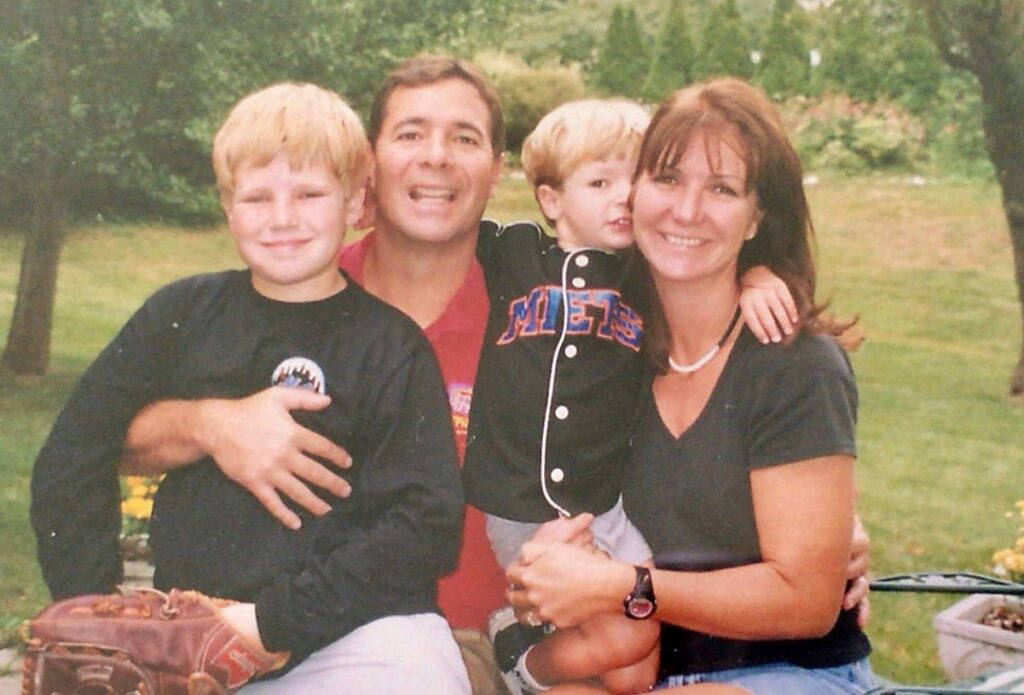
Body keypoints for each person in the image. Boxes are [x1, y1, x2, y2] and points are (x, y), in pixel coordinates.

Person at [120, 58, 871, 695]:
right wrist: (211, 422)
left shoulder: (553, 311)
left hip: (505, 653)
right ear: (368, 163)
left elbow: (739, 427)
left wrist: (820, 534)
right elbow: (111, 436)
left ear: (498, 169)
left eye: (465, 138)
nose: (437, 158)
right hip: (299, 642)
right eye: (411, 134)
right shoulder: (295, 288)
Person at [30, 82, 471, 694]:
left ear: (356, 204)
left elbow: (424, 525)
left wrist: (266, 625)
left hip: (359, 639)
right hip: (190, 649)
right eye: (257, 196)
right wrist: (101, 614)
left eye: (310, 194)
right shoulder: (179, 313)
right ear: (227, 205)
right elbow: (70, 458)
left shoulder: (390, 346)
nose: (282, 218)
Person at [506, 78, 876, 695]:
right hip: (638, 671)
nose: (686, 210)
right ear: (636, 192)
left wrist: (623, 586)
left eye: (722, 189)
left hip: (785, 674)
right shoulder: (611, 348)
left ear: (758, 215)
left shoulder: (795, 365)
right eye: (668, 179)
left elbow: (807, 602)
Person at [462, 98, 796, 695]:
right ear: (551, 200)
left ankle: (522, 655)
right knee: (626, 641)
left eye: (632, 180)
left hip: (604, 506)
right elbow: (436, 225)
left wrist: (758, 274)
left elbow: (711, 274)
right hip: (519, 505)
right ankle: (518, 657)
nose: (621, 197)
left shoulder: (646, 278)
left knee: (636, 664)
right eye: (599, 182)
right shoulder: (511, 254)